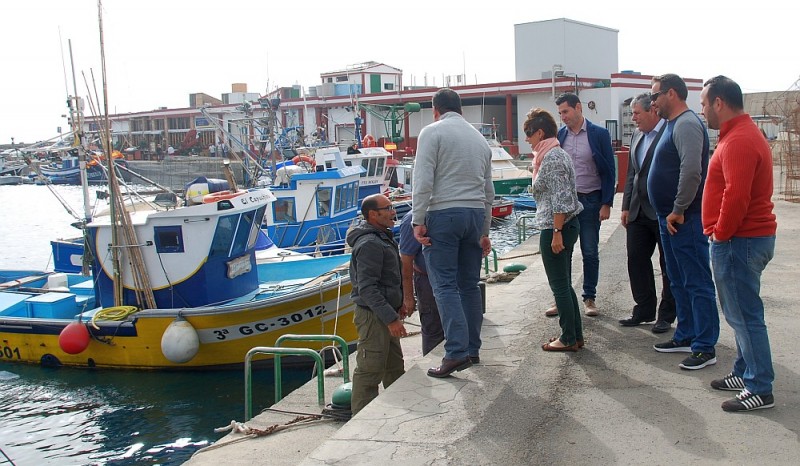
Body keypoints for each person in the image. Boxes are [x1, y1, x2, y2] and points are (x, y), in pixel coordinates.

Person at [700, 75, 778, 411]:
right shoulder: (739, 135)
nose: (703, 110)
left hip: (740, 241)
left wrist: (720, 232)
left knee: (745, 316)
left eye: (704, 103)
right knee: (740, 314)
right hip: (742, 239)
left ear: (719, 102)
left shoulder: (740, 140)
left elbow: (737, 195)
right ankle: (745, 371)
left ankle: (759, 387)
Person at [411, 88, 493, 378]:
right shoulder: (480, 140)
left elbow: (422, 179)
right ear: (460, 109)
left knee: (444, 285)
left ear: (436, 110)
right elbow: (488, 190)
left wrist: (417, 219)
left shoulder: (432, 132)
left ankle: (455, 352)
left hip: (443, 214)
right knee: (469, 285)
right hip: (474, 215)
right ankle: (472, 349)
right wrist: (484, 229)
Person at [648, 73, 719, 370]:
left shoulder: (688, 124)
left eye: (655, 96)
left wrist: (678, 208)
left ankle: (705, 346)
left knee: (697, 281)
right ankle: (687, 334)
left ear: (672, 94)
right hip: (670, 218)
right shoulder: (670, 124)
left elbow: (691, 172)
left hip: (684, 219)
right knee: (678, 280)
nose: (653, 102)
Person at [525, 108, 585, 351]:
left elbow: (561, 199)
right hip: (559, 225)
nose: (527, 139)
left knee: (559, 286)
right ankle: (574, 335)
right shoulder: (552, 155)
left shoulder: (552, 158)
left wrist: (557, 233)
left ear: (540, 133)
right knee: (564, 284)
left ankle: (568, 338)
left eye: (529, 133)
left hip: (556, 227)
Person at [618, 93, 676, 334]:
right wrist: (625, 205)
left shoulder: (670, 133)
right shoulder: (637, 135)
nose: (633, 119)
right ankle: (644, 309)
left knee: (667, 265)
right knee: (636, 260)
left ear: (652, 111)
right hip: (637, 211)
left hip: (663, 210)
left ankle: (666, 315)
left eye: (637, 113)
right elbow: (633, 173)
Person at [346, 194, 408, 415]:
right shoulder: (370, 243)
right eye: (388, 208)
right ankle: (361, 420)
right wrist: (391, 319)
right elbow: (367, 288)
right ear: (373, 214)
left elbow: (388, 278)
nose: (393, 212)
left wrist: (398, 304)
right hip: (373, 316)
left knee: (394, 367)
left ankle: (400, 411)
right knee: (370, 370)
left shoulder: (382, 237)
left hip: (385, 312)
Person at [555, 93, 615, 317]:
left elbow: (609, 170)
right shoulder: (560, 136)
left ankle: (589, 298)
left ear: (578, 108)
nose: (563, 117)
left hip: (591, 200)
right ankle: (563, 298)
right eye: (560, 113)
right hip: (567, 203)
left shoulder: (599, 134)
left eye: (566, 111)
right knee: (564, 252)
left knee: (589, 251)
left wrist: (606, 203)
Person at [399, 212, 444, 356]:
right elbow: (406, 260)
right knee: (433, 327)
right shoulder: (412, 220)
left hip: (456, 279)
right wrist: (408, 297)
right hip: (428, 281)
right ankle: (433, 362)